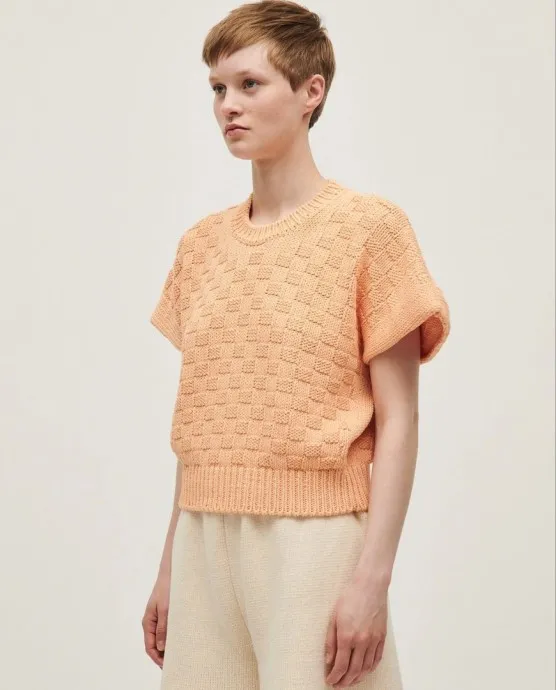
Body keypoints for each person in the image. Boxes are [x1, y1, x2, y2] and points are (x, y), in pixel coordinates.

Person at [142, 1, 451, 688]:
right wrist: (170, 566)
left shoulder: (369, 230)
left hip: (315, 542)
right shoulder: (201, 247)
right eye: (218, 88)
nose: (228, 106)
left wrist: (372, 579)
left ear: (312, 92)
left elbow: (400, 419)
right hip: (202, 540)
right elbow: (206, 422)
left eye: (250, 84)